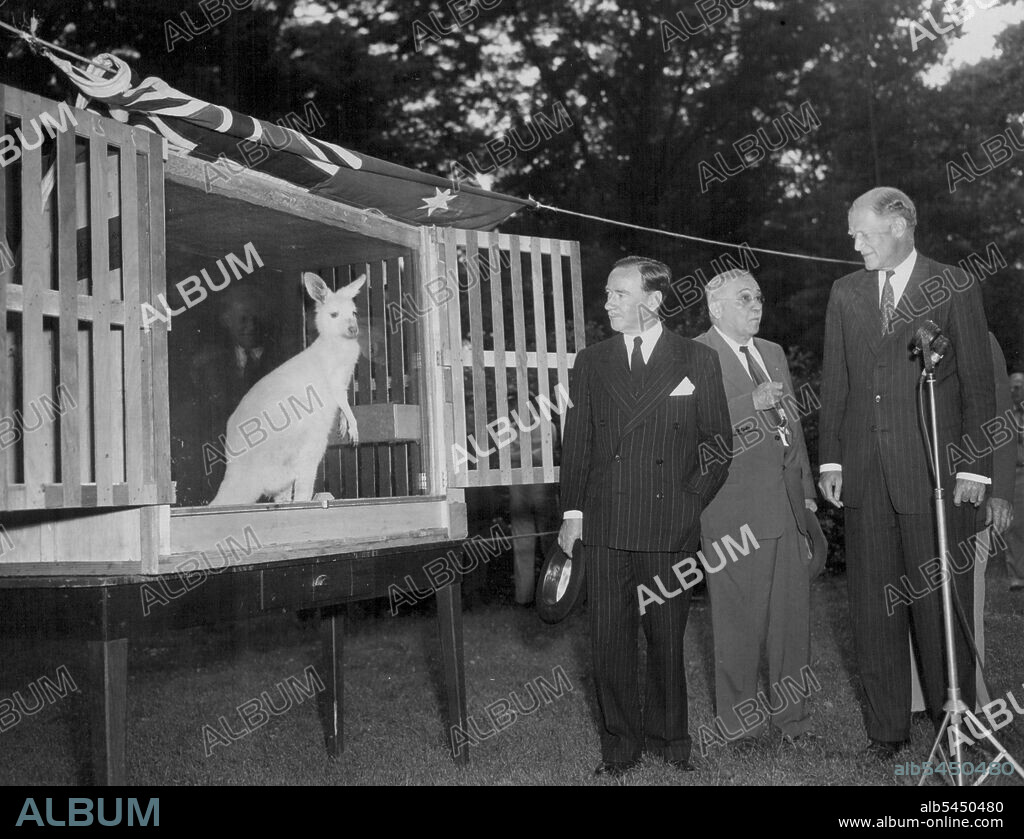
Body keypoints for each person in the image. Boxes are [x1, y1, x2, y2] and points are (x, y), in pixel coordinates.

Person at [819, 187, 995, 758]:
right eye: (852, 233)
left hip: (935, 477)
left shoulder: (953, 284)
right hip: (866, 479)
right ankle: (886, 732)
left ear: (898, 225)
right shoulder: (845, 292)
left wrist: (975, 466)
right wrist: (832, 458)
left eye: (862, 231)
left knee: (942, 607)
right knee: (873, 610)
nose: (854, 242)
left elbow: (975, 383)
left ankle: (959, 728)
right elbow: (837, 381)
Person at [557, 255, 731, 777]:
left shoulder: (696, 359)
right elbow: (578, 444)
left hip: (668, 526)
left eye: (619, 294)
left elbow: (719, 446)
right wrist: (572, 513)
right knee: (610, 641)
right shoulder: (592, 361)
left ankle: (671, 741)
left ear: (653, 301)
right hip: (605, 523)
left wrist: (689, 502)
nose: (607, 302)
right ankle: (619, 748)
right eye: (608, 293)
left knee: (665, 638)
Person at [695, 269, 818, 746]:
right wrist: (751, 403)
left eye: (759, 297)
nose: (755, 305)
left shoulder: (773, 353)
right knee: (737, 623)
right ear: (715, 308)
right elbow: (694, 430)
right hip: (732, 509)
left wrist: (804, 489)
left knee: (793, 622)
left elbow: (794, 427)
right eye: (743, 299)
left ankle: (795, 722)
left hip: (785, 506)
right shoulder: (695, 354)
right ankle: (738, 724)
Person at [910, 333, 1014, 711]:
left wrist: (1000, 490)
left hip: (968, 492)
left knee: (966, 596)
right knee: (915, 593)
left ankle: (971, 697)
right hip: (911, 488)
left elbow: (1000, 415)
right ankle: (921, 698)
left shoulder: (982, 340)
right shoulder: (900, 339)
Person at [1006, 372, 1024, 591]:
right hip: (1017, 474)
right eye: (1013, 387)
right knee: (1015, 526)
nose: (1015, 390)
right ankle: (1018, 576)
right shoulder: (1005, 416)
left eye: (1019, 386)